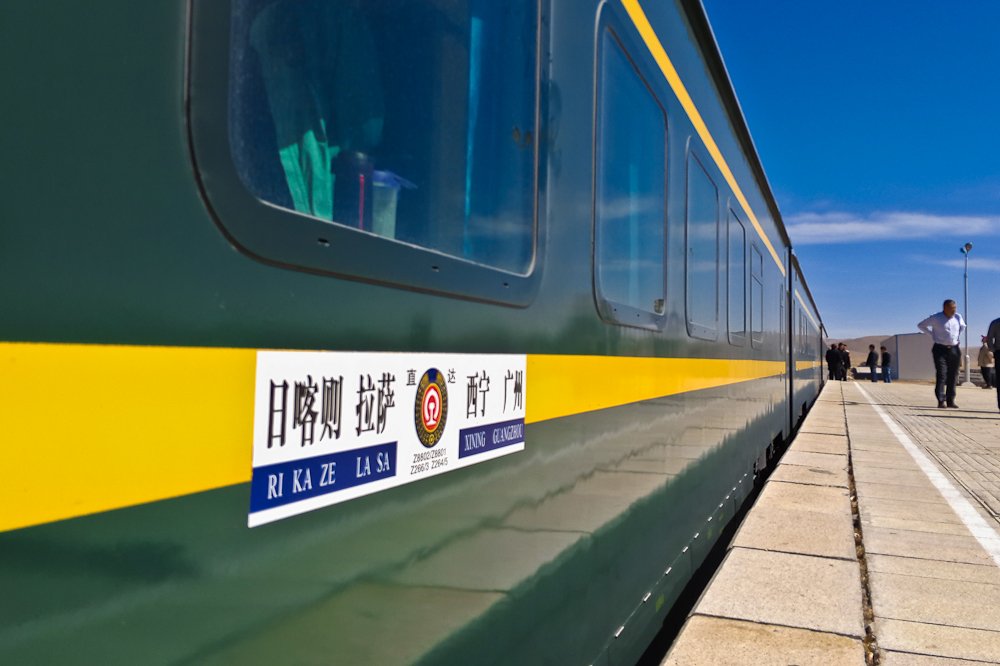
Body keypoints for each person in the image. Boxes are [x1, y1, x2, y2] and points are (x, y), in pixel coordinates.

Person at [917, 299, 966, 408]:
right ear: (945, 308)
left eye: (955, 308)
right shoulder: (936, 317)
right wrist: (932, 335)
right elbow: (921, 325)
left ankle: (951, 400)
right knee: (942, 374)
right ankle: (941, 400)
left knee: (953, 375)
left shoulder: (958, 317)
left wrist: (957, 337)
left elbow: (963, 327)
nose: (954, 310)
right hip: (940, 349)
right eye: (951, 308)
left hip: (954, 349)